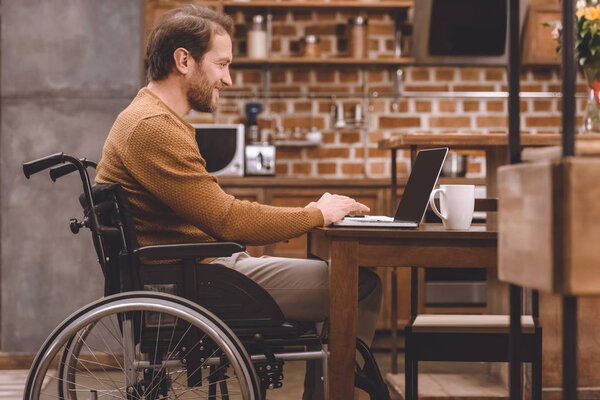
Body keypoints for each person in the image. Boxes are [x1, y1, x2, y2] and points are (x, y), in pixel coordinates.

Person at [95, 5, 382, 399]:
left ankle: (332, 386)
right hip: (196, 280)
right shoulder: (153, 128)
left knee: (337, 278)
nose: (227, 79)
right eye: (221, 64)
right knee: (359, 283)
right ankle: (345, 387)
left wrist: (310, 212)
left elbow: (219, 212)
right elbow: (228, 220)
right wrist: (316, 213)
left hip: (197, 269)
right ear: (184, 60)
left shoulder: (151, 119)